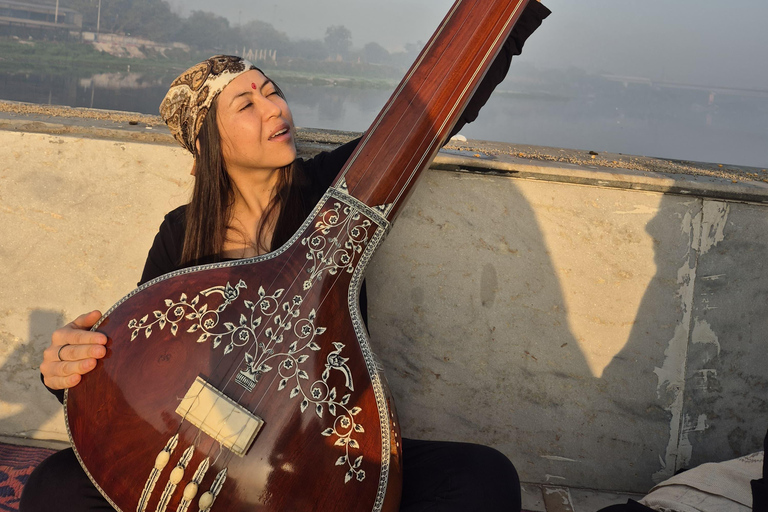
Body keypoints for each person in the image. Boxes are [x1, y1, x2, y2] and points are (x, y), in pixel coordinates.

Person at [21, 3, 550, 511]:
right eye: (247, 105)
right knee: (54, 488)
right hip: (201, 444)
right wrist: (66, 371)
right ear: (207, 146)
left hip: (306, 445)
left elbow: (438, 113)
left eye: (273, 94)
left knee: (484, 479)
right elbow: (139, 370)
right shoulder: (181, 234)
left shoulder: (337, 192)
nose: (275, 109)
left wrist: (504, 12)